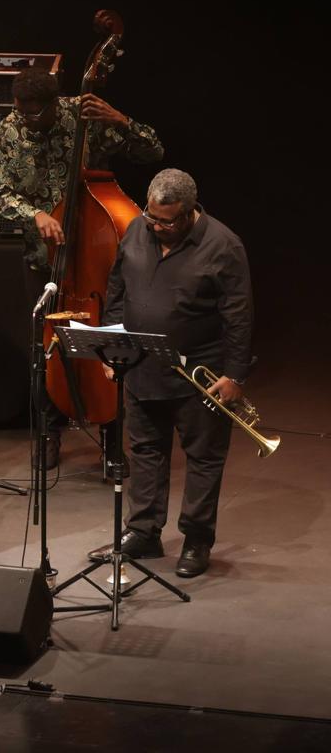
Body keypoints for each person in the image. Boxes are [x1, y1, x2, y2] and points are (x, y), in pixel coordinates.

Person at [0, 67, 164, 466]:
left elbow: (153, 151)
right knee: (45, 347)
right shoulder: (8, 131)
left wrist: (121, 121)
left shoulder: (83, 117)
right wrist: (35, 215)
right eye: (19, 111)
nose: (23, 120)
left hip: (94, 257)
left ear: (53, 104)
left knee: (107, 343)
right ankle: (49, 435)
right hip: (43, 259)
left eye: (32, 113)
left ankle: (111, 436)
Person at [86, 169, 252, 578]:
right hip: (142, 366)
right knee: (144, 452)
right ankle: (143, 531)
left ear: (190, 210)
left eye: (168, 221)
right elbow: (117, 292)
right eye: (152, 217)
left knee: (202, 458)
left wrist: (235, 375)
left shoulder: (224, 245)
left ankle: (196, 540)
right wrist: (112, 349)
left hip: (201, 373)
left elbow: (239, 316)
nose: (158, 226)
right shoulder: (137, 232)